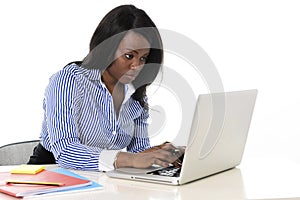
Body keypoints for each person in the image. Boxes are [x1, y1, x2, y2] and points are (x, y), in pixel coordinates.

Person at [28, 4, 184, 171]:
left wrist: (158, 154)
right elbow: (66, 152)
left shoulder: (135, 94)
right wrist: (129, 159)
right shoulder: (68, 81)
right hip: (48, 178)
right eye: (129, 56)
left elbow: (137, 153)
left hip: (97, 181)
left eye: (143, 58)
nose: (137, 66)